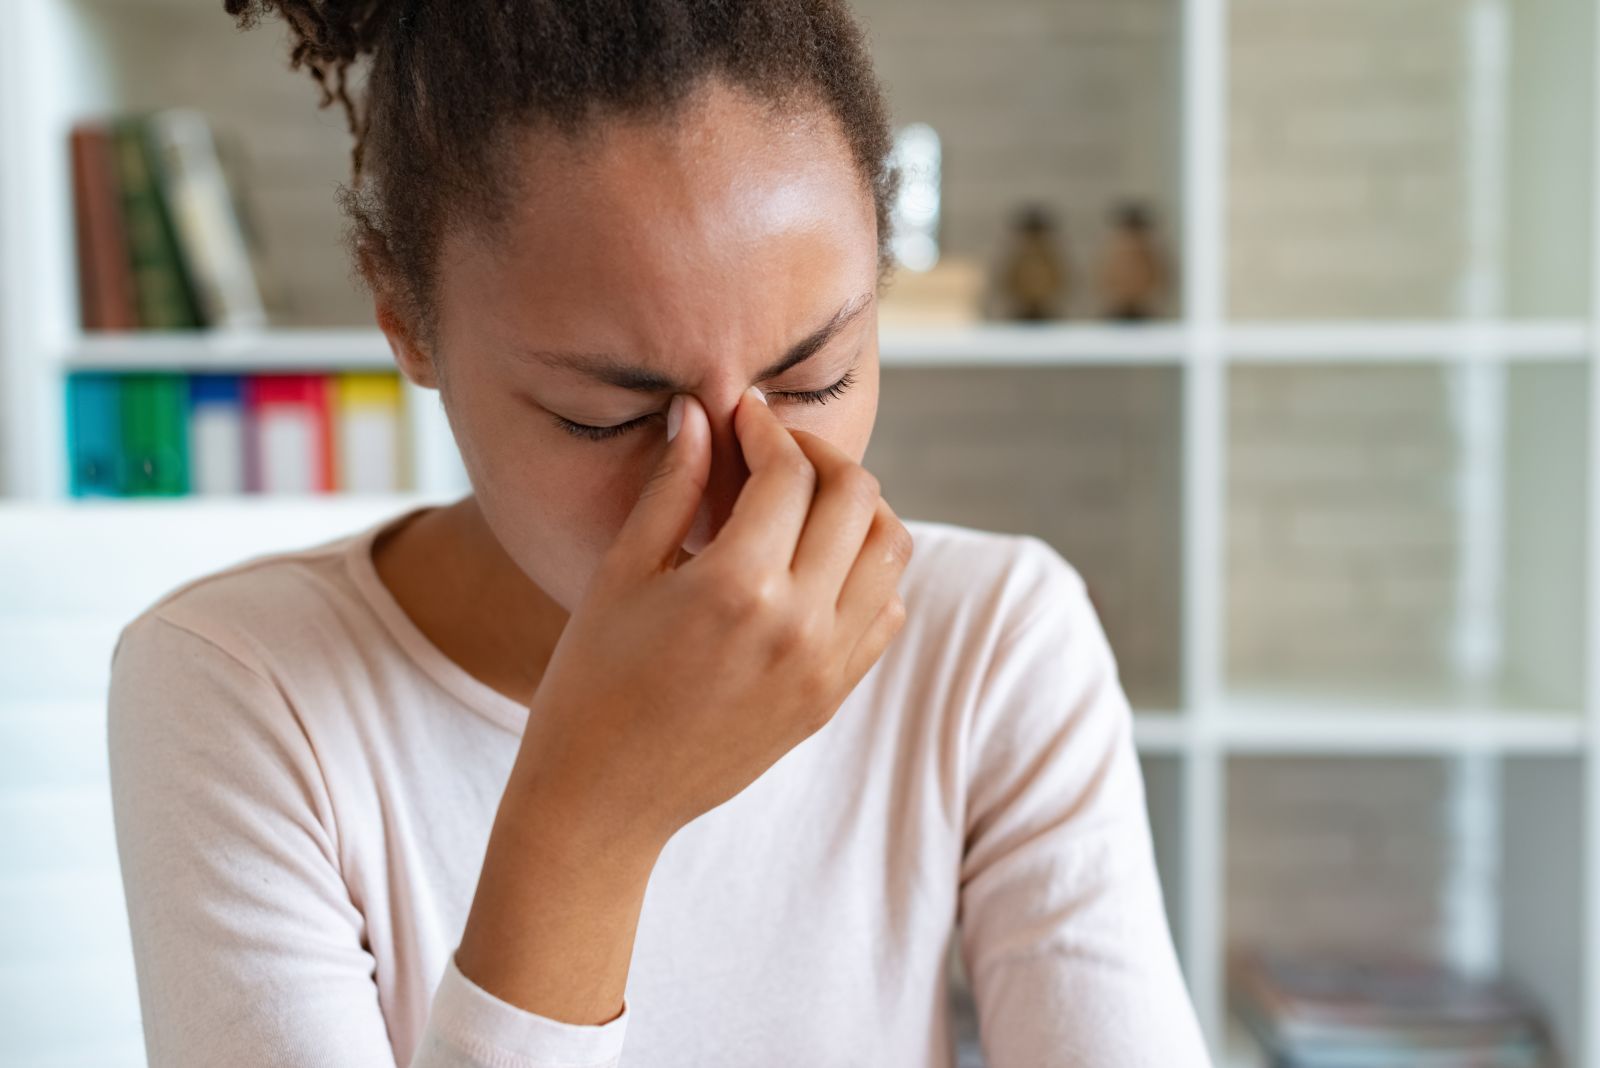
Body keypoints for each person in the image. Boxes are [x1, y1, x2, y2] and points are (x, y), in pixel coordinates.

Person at [105, 2, 1211, 1066]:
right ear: (408, 324)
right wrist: (593, 821)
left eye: (814, 378)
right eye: (614, 418)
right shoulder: (241, 688)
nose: (738, 497)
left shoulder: (995, 644)